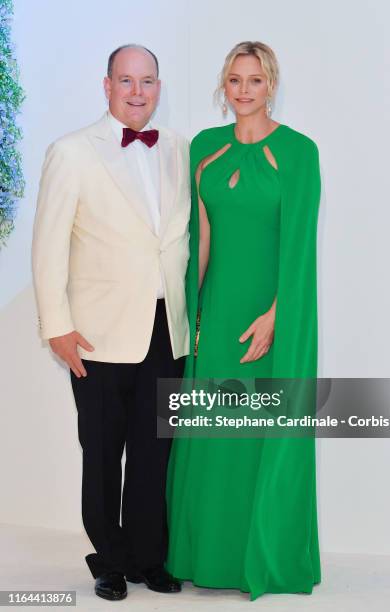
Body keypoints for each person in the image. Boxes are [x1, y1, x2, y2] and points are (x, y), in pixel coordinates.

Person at [32, 44, 190, 601]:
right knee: (102, 453)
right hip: (95, 336)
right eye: (126, 80)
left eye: (147, 81)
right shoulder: (72, 152)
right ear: (106, 86)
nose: (137, 91)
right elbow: (48, 245)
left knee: (155, 451)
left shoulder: (177, 148)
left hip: (167, 331)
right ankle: (109, 559)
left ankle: (149, 557)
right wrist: (57, 326)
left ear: (159, 87)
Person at [165, 41, 322, 600]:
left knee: (257, 433)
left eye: (255, 80)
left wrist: (276, 317)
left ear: (272, 84)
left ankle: (259, 556)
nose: (244, 90)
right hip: (220, 312)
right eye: (235, 80)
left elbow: (299, 247)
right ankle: (205, 556)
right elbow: (200, 235)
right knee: (212, 436)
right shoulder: (205, 148)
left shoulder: (300, 153)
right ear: (223, 86)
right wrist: (193, 312)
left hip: (270, 316)